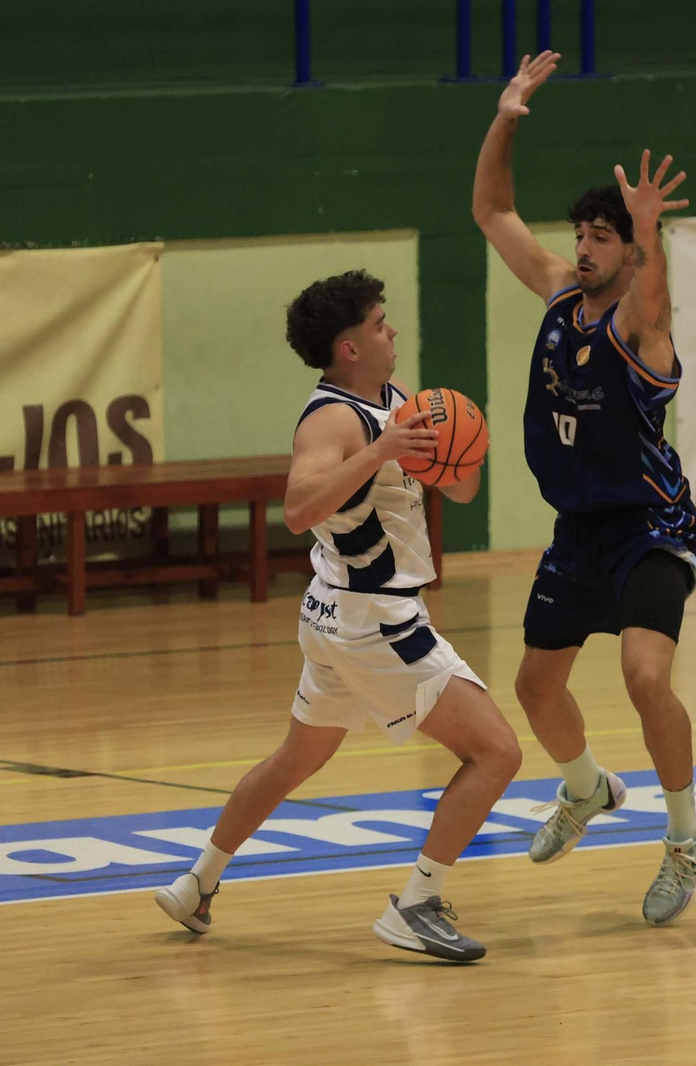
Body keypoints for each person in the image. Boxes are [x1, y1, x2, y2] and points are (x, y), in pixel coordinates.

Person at [155, 270, 521, 961]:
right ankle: (416, 905)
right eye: (380, 323)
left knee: (297, 757)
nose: (392, 332)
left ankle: (196, 882)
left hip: (335, 614)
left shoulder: (398, 400)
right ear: (349, 348)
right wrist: (383, 450)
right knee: (497, 752)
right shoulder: (332, 418)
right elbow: (298, 510)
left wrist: (463, 445)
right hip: (376, 620)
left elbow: (462, 488)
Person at [472, 50, 696, 925]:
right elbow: (491, 209)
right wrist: (505, 117)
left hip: (650, 524)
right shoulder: (558, 295)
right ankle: (587, 787)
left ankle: (685, 839)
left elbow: (654, 302)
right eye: (582, 235)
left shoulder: (640, 329)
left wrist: (646, 235)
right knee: (535, 689)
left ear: (630, 251)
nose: (582, 248)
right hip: (578, 528)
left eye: (600, 238)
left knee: (645, 676)